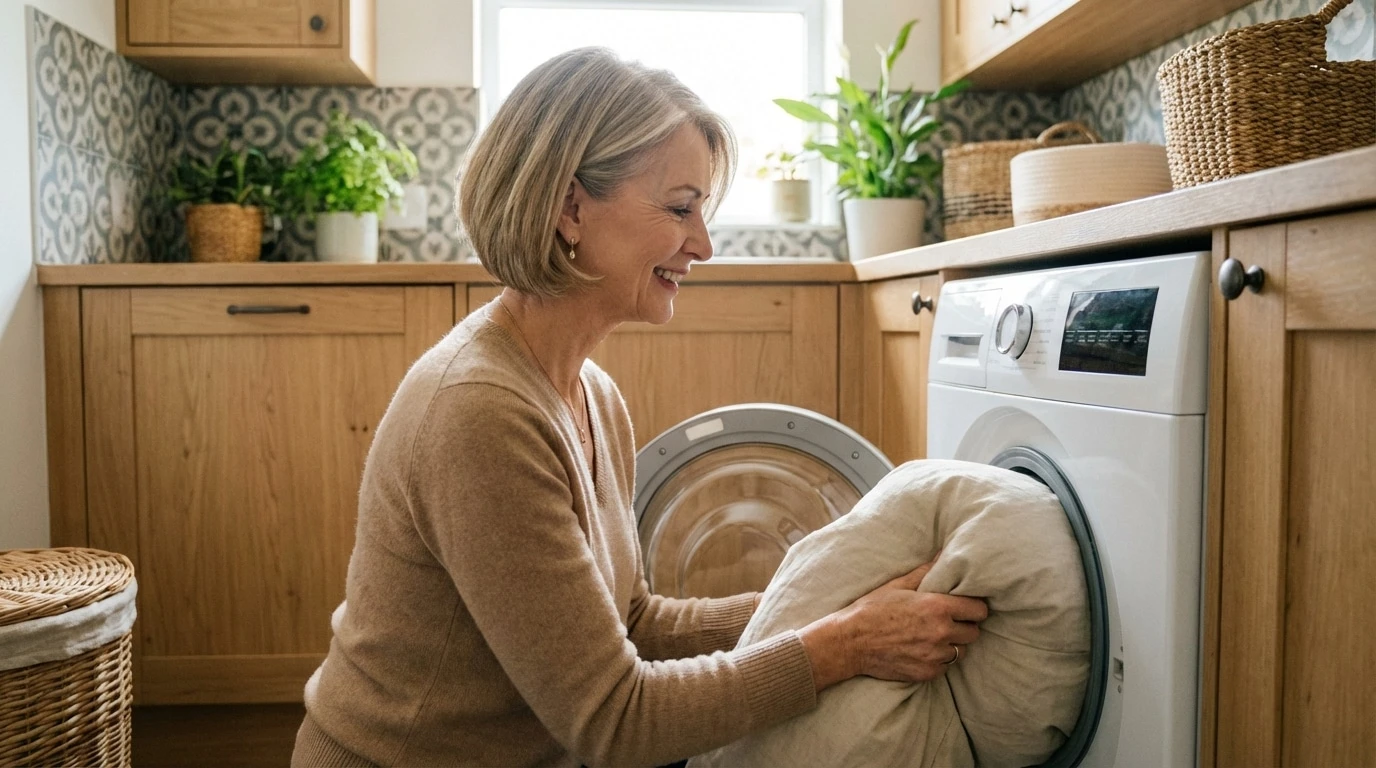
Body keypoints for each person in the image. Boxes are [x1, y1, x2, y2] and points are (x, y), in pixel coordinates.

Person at [291, 47, 988, 768]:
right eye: (680, 208)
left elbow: (631, 622)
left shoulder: (592, 393)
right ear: (570, 207)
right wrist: (842, 644)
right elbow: (615, 722)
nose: (705, 245)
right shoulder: (479, 412)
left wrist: (832, 599)